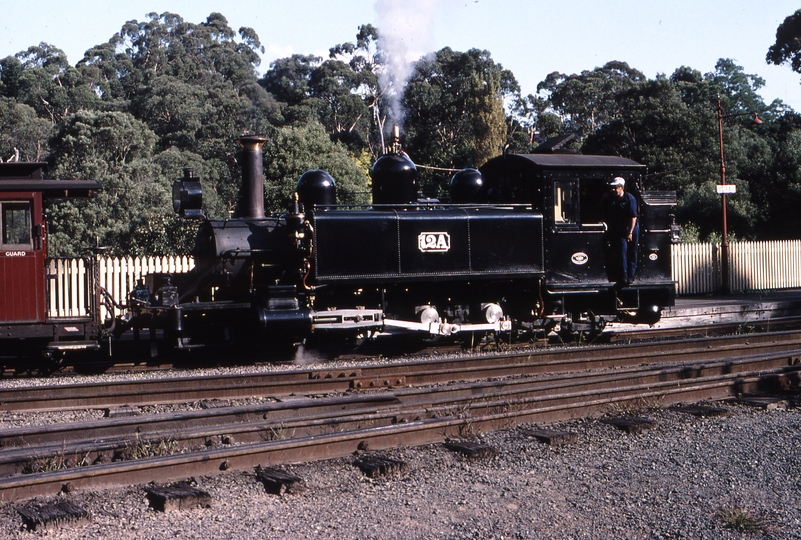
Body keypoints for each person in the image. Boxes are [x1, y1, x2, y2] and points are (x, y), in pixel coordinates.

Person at [601, 176, 639, 285]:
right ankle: (623, 276)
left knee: (632, 252)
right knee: (622, 251)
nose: (613, 190)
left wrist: (630, 232)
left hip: (631, 228)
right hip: (621, 229)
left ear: (621, 188)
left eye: (615, 188)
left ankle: (630, 277)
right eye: (612, 188)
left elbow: (633, 217)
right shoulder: (612, 200)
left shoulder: (630, 199)